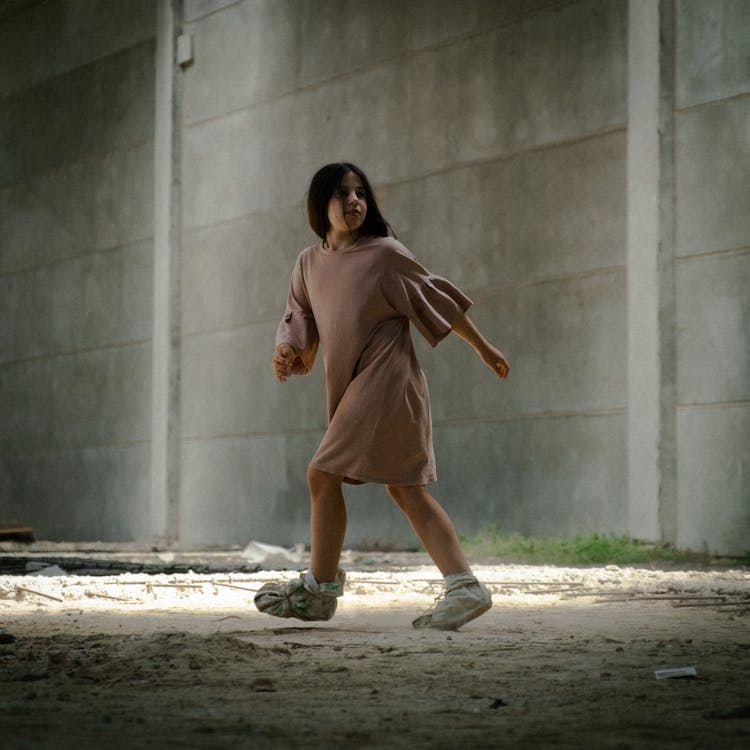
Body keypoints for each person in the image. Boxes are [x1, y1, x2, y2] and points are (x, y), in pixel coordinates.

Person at [254, 162, 509, 631]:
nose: (354, 202)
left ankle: (319, 590)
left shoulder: (385, 255)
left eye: (360, 194)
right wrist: (286, 350)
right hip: (355, 385)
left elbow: (439, 301)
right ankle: (464, 587)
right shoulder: (308, 263)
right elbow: (299, 317)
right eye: (342, 194)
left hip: (389, 381)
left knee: (321, 474)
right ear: (319, 204)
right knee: (406, 489)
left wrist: (485, 349)